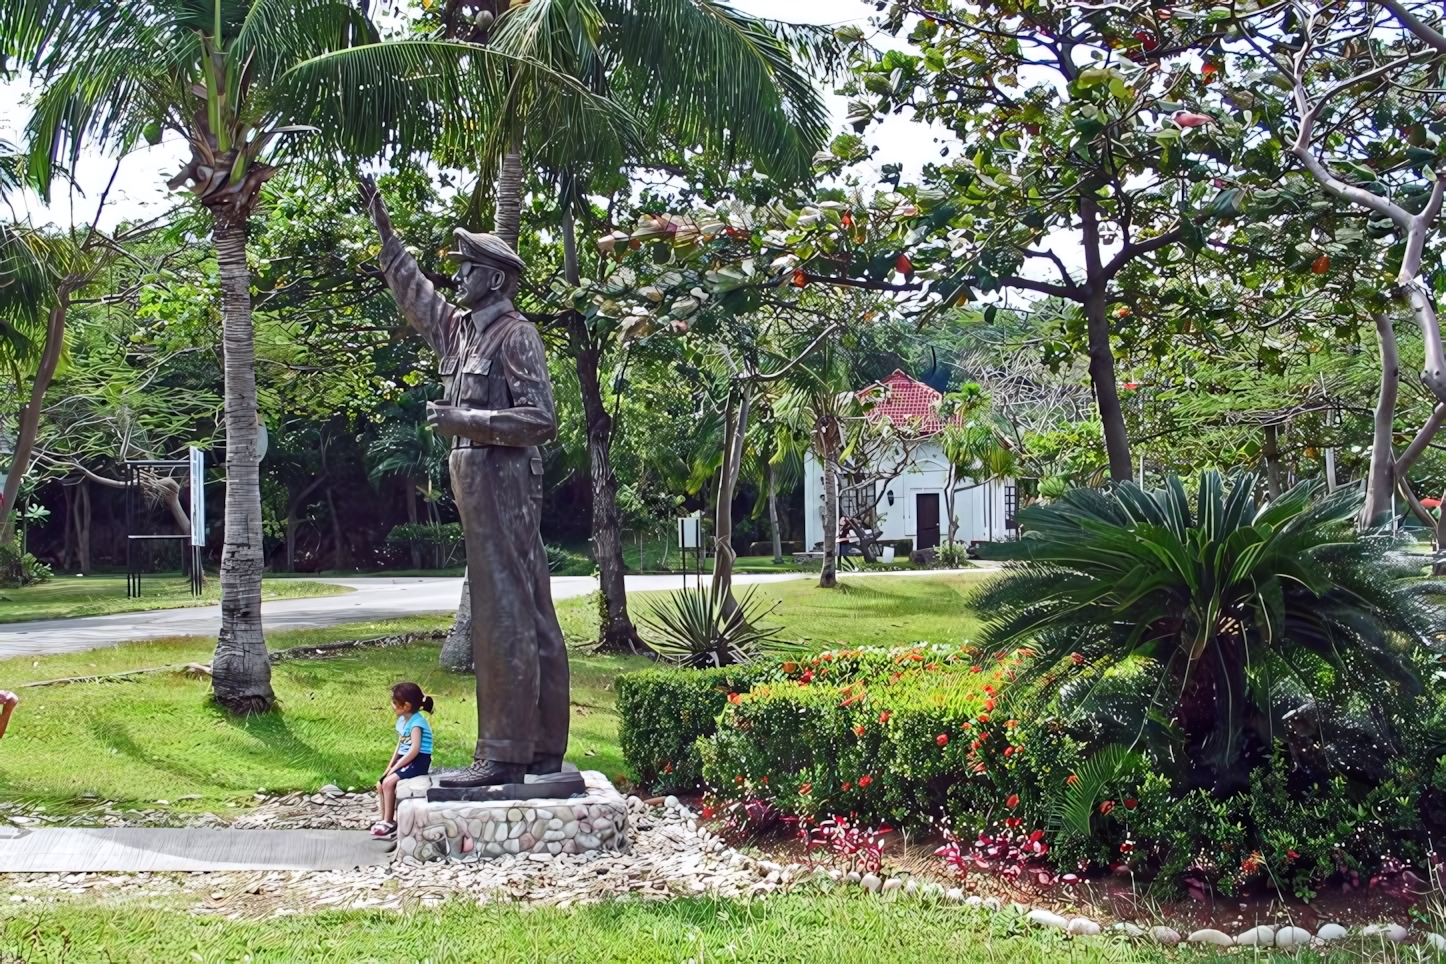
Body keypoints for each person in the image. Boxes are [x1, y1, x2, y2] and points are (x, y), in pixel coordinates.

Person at [372, 682, 434, 838]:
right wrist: (388, 769)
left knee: (388, 782)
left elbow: (414, 750)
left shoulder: (417, 723)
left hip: (418, 761)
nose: (392, 705)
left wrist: (395, 769)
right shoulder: (402, 722)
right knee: (381, 784)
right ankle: (385, 819)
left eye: (395, 703)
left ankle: (388, 822)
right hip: (406, 758)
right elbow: (399, 748)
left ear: (406, 706)